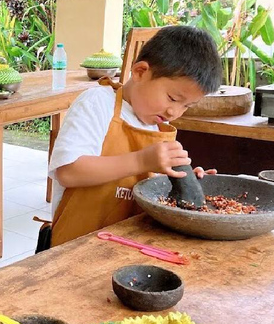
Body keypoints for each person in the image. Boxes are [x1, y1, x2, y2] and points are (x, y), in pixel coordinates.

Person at [43, 26, 222, 250]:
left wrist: (182, 181)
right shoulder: (97, 103)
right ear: (139, 72)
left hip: (129, 246)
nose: (174, 112)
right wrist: (142, 160)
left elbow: (149, 183)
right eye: (172, 98)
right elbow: (68, 171)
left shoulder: (158, 125)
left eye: (186, 106)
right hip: (77, 246)